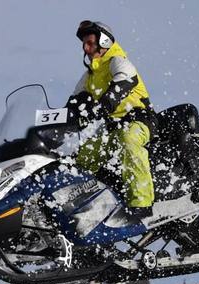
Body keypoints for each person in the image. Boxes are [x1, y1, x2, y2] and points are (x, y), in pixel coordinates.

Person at [66, 21, 157, 218]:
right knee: (82, 158)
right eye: (83, 44)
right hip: (113, 130)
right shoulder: (89, 76)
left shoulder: (119, 61)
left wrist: (102, 106)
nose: (85, 48)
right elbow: (74, 103)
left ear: (104, 41)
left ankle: (141, 203)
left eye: (89, 43)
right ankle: (80, 212)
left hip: (139, 121)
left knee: (128, 141)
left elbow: (122, 84)